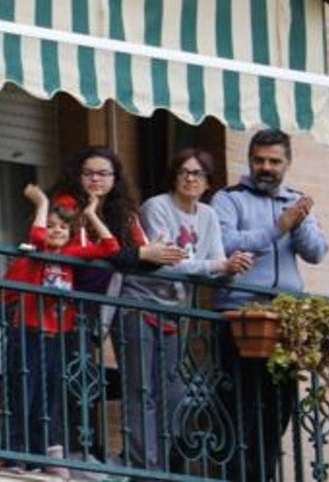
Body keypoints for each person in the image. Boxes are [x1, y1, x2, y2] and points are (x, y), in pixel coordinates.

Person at [118, 149, 254, 477]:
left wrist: (233, 268)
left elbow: (217, 264)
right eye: (184, 172)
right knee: (141, 391)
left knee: (171, 395)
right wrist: (217, 265)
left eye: (198, 173)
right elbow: (169, 261)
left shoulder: (207, 216)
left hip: (174, 315)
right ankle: (143, 467)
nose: (190, 178)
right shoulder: (157, 207)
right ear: (174, 176)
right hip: (139, 305)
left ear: (208, 181)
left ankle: (159, 463)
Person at [49, 146, 185, 460]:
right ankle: (64, 452)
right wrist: (138, 255)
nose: (96, 179)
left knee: (84, 377)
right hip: (65, 301)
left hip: (100, 306)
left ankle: (122, 458)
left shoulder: (124, 213)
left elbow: (140, 257)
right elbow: (85, 254)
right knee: (65, 377)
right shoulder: (66, 206)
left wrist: (159, 254)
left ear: (115, 178)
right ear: (78, 176)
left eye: (103, 173)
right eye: (89, 173)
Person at [209, 128, 329, 481]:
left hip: (284, 318)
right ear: (249, 160)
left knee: (280, 407)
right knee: (238, 404)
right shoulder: (228, 199)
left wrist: (300, 220)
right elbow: (227, 243)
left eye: (274, 161)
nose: (266, 167)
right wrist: (279, 226)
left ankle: (262, 475)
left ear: (287, 163)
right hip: (238, 311)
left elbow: (317, 253)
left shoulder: (294, 202)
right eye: (259, 160)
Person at [0, 184, 120, 476]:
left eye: (63, 226)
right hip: (27, 333)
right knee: (23, 395)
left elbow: (111, 248)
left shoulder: (70, 255)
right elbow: (37, 236)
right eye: (51, 225)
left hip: (56, 337)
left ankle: (44, 455)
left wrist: (91, 213)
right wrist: (42, 202)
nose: (56, 230)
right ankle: (16, 457)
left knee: (48, 396)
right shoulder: (36, 254)